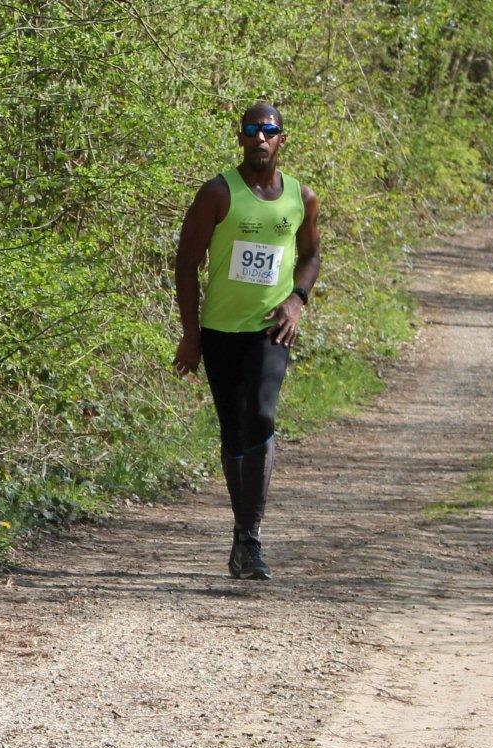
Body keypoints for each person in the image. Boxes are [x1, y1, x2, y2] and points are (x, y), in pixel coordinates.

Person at [173, 102, 321, 580]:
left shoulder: (301, 197)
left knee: (260, 415)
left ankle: (250, 537)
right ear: (240, 138)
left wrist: (297, 300)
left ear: (282, 138)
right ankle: (242, 536)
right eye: (252, 130)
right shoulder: (218, 193)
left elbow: (312, 253)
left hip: (271, 327)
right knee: (234, 429)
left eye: (269, 130)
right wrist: (191, 335)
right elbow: (185, 265)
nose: (260, 138)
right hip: (220, 330)